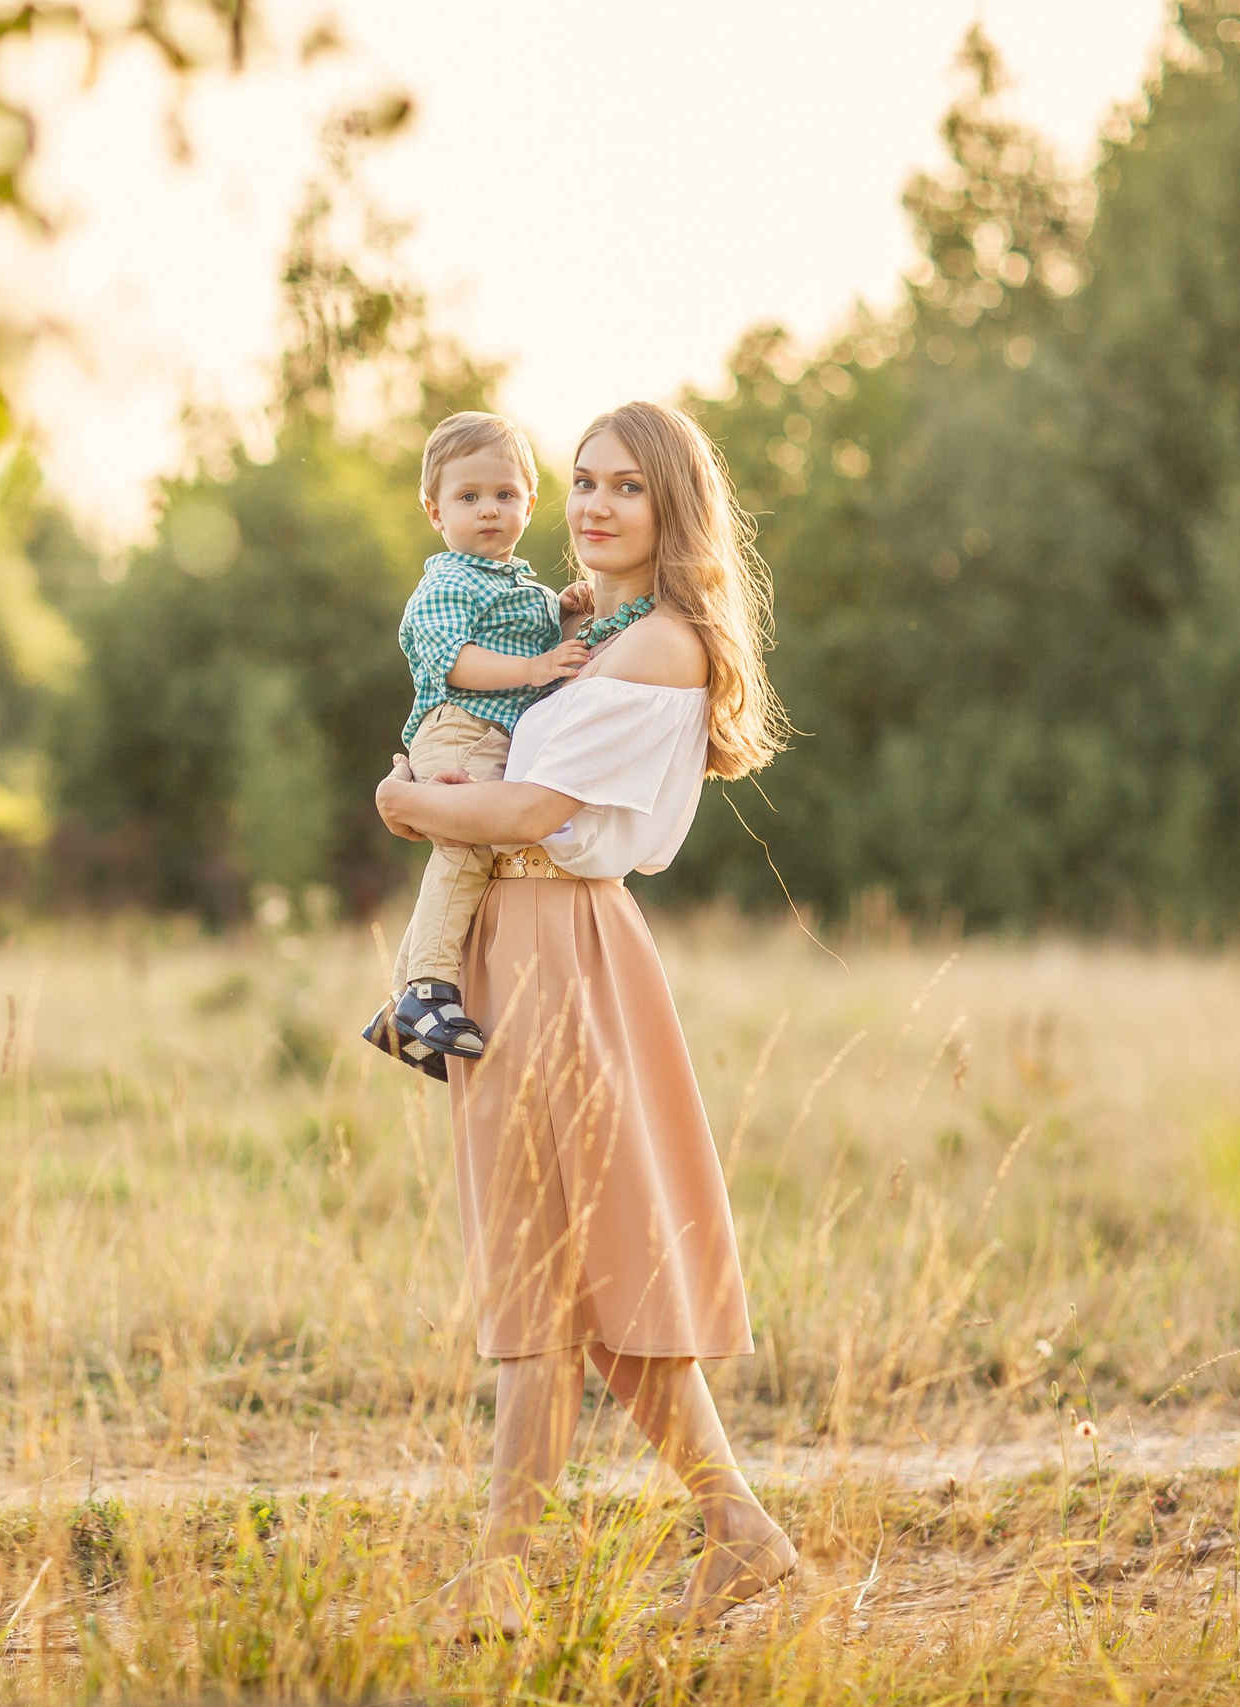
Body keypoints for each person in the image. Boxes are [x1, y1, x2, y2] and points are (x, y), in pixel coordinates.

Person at [371, 400, 796, 1635]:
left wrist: (405, 801)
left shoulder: (658, 644)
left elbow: (521, 812)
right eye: (586, 482)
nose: (595, 505)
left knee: (558, 1252)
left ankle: (514, 1562)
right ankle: (733, 1532)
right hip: (518, 937)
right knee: (548, 1258)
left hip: (560, 933)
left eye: (627, 488)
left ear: (673, 509)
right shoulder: (587, 630)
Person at [360, 412, 594, 1080]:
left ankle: (399, 1004)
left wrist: (572, 613)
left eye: (504, 495)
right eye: (468, 497)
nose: (488, 511)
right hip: (456, 726)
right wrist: (533, 668)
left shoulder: (524, 590)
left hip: (493, 732)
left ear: (529, 500)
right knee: (465, 847)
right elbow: (453, 661)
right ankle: (430, 989)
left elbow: (556, 649)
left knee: (467, 850)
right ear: (435, 509)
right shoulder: (446, 585)